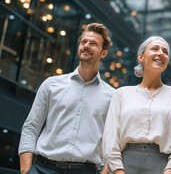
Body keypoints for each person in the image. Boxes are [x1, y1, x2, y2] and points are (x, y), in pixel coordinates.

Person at [19, 23, 115, 174]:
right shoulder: (52, 84)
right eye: (84, 42)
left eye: (93, 43)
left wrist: (105, 171)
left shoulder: (112, 96)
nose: (86, 46)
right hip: (43, 169)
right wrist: (26, 169)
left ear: (103, 53)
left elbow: (114, 141)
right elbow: (31, 127)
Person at [102, 36, 171, 174]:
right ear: (141, 57)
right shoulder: (121, 94)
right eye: (155, 49)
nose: (161, 53)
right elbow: (110, 138)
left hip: (162, 166)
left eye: (165, 51)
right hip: (124, 165)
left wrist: (170, 171)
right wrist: (118, 171)